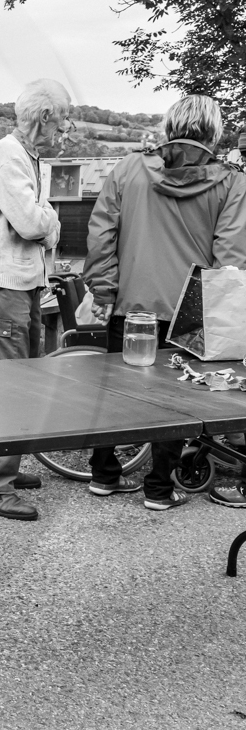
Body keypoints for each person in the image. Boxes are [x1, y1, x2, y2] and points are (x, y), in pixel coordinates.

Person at [85, 95, 246, 511]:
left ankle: (103, 475)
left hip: (131, 305)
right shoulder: (231, 183)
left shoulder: (127, 170)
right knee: (175, 401)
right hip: (189, 313)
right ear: (213, 132)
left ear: (168, 126)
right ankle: (159, 489)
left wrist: (104, 291)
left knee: (116, 392)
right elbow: (230, 260)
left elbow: (101, 236)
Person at [0, 78, 72, 521]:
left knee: (22, 376)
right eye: (64, 118)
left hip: (22, 282)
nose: (66, 128)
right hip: (7, 283)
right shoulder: (6, 153)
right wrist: (51, 219)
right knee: (6, 381)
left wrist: (47, 221)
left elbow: (42, 223)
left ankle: (3, 466)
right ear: (46, 116)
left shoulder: (28, 158)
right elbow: (33, 224)